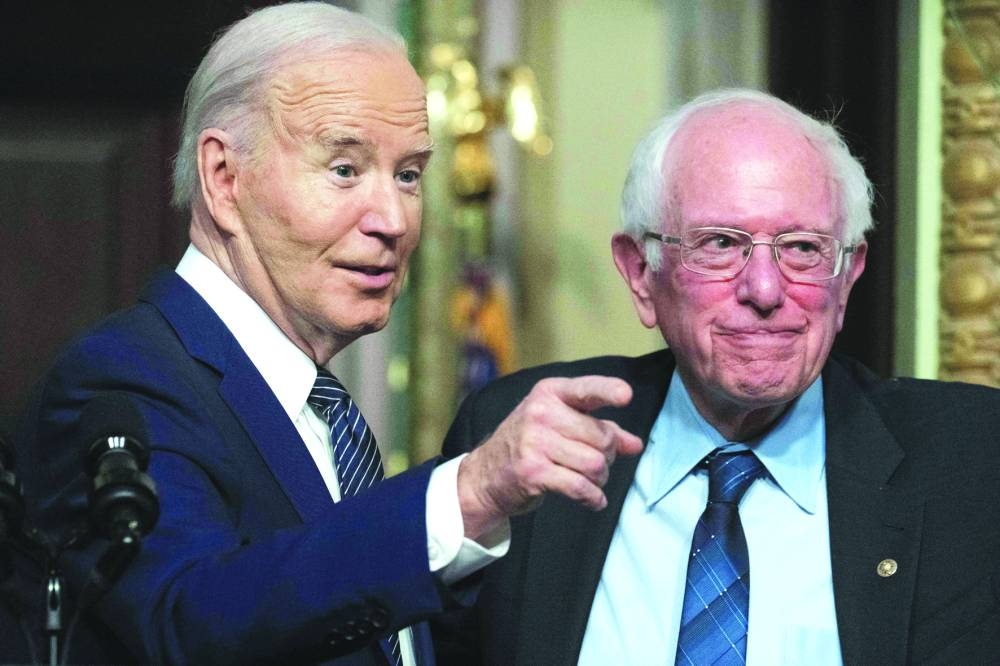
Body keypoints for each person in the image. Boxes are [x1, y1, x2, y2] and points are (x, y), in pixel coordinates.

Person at [15, 3, 642, 664]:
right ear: (224, 178)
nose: (393, 220)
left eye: (408, 175)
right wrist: (468, 494)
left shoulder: (324, 411)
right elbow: (185, 623)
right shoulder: (121, 382)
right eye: (344, 169)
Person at [435, 88, 1000, 665]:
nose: (764, 291)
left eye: (803, 248)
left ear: (847, 276)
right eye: (721, 244)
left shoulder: (972, 461)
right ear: (640, 273)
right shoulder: (527, 437)